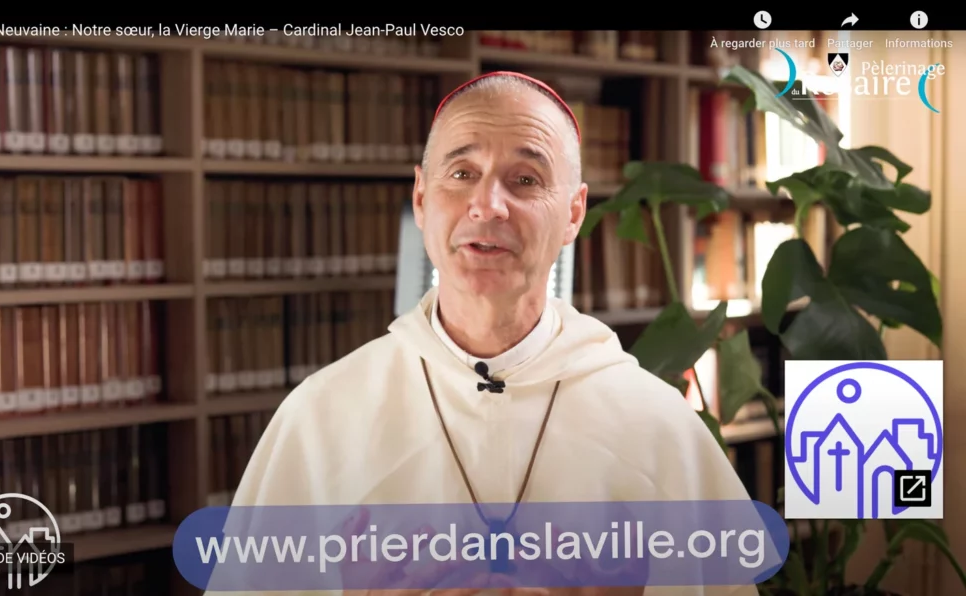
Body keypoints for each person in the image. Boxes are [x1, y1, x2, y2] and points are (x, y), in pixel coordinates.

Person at [214, 72, 761, 596]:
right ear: (422, 199)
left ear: (574, 213)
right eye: (461, 174)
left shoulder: (657, 425)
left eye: (525, 179)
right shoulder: (320, 416)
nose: (488, 206)